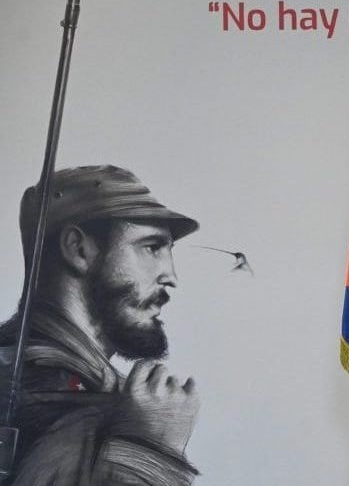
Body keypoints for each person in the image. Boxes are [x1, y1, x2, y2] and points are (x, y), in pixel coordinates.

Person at [0, 165, 201, 485]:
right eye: (151, 247)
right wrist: (149, 455)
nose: (170, 276)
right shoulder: (54, 402)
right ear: (78, 249)